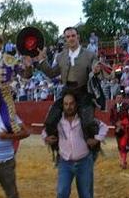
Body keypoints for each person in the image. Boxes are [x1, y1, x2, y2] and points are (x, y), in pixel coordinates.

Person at [42, 92, 108, 198]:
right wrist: (46, 139)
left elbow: (103, 127)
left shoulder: (85, 119)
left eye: (71, 103)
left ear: (76, 104)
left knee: (86, 195)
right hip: (65, 162)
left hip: (84, 160)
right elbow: (44, 131)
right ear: (63, 106)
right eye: (66, 104)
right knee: (61, 193)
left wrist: (97, 139)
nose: (69, 106)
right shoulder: (57, 120)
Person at [32, 27, 104, 160]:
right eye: (68, 37)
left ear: (78, 37)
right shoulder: (61, 56)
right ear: (65, 40)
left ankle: (94, 149)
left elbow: (97, 69)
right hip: (67, 91)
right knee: (51, 119)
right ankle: (58, 149)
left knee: (88, 122)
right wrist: (42, 61)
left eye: (73, 36)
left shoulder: (89, 55)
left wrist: (96, 70)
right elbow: (52, 73)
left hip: (83, 90)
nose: (71, 38)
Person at [110, 92, 129, 169]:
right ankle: (123, 160)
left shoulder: (127, 106)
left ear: (122, 98)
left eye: (120, 97)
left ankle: (123, 161)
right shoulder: (113, 107)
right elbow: (111, 118)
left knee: (123, 145)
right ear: (115, 99)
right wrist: (116, 123)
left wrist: (122, 122)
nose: (119, 99)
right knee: (119, 145)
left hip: (125, 128)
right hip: (117, 129)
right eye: (117, 98)